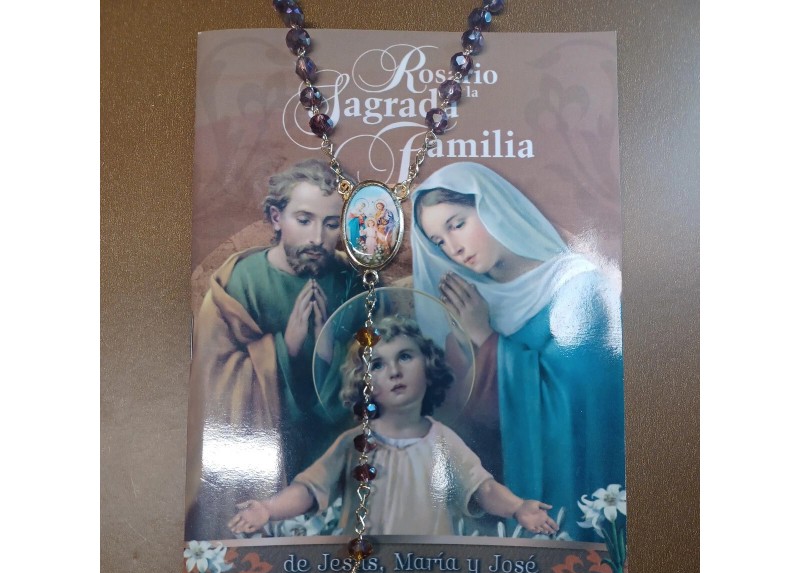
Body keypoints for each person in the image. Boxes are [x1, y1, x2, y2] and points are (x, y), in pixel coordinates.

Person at [411, 162, 625, 540]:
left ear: (493, 208)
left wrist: (485, 338)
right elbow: (462, 420)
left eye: (457, 224)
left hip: (575, 484)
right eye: (439, 242)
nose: (454, 248)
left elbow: (580, 399)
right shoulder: (470, 302)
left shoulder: (576, 285)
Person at [227, 316, 558, 540]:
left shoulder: (443, 441)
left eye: (405, 357)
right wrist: (268, 508)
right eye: (378, 364)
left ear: (428, 365)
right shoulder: (354, 444)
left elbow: (483, 489)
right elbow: (309, 490)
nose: (394, 371)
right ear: (364, 381)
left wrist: (517, 507)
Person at [185, 159, 360, 540]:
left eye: (331, 224)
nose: (317, 238)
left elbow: (370, 372)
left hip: (329, 450)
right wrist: (286, 349)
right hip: (267, 445)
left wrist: (330, 354)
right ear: (276, 218)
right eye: (304, 220)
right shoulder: (239, 284)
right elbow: (214, 382)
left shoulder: (350, 282)